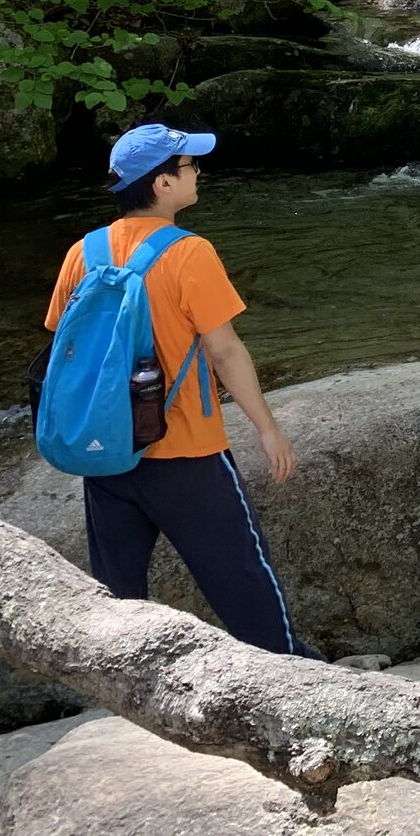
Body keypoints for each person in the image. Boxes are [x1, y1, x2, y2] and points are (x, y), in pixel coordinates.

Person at [44, 124, 310, 655]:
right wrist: (268, 428)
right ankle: (304, 683)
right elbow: (224, 351)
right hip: (185, 450)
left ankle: (122, 701)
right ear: (161, 184)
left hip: (108, 453)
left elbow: (61, 344)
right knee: (244, 585)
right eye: (189, 166)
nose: (197, 172)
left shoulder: (84, 251)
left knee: (118, 597)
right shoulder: (190, 253)